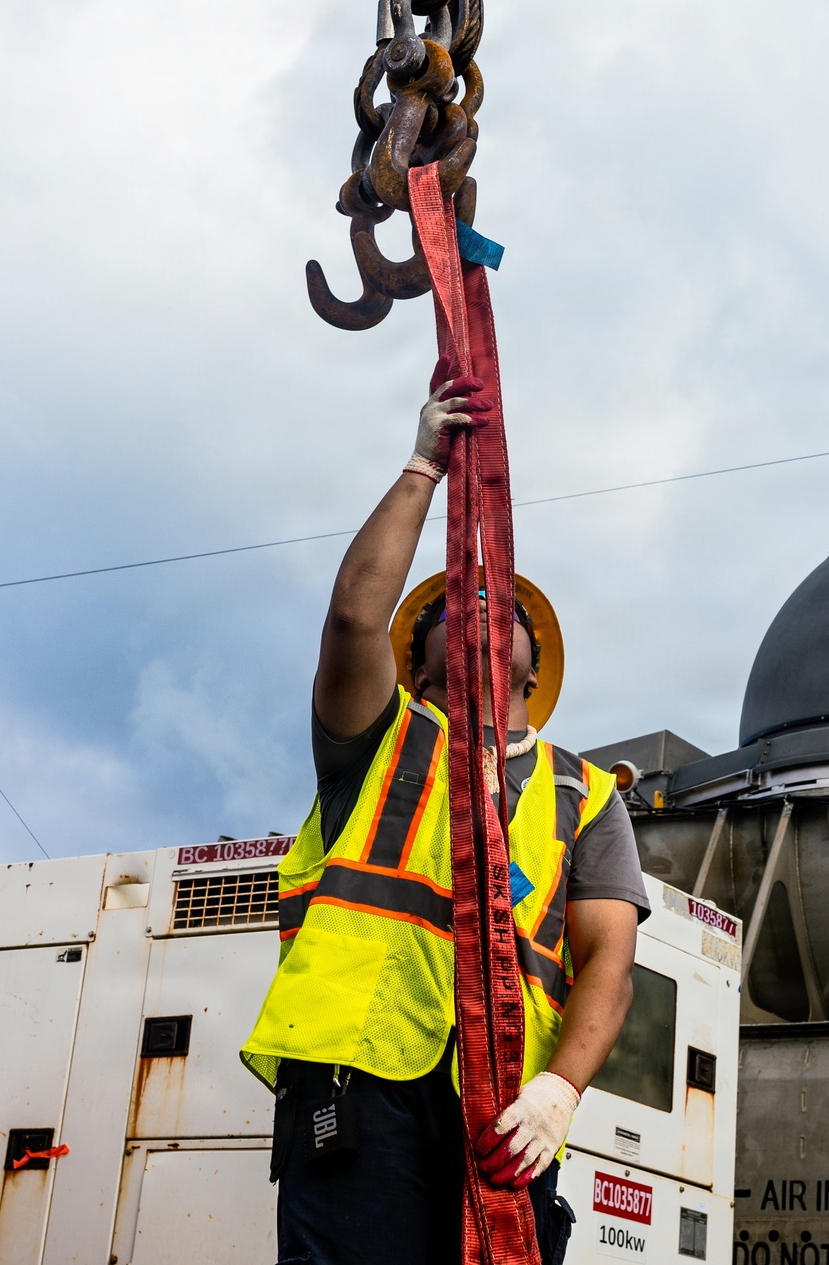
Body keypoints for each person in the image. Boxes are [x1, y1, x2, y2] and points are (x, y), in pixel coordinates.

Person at [242, 363, 650, 1265]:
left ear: (531, 670)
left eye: (496, 605)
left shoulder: (582, 793)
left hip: (507, 1107)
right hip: (359, 1081)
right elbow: (353, 618)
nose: (475, 606)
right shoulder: (377, 738)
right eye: (448, 606)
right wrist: (424, 464)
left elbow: (607, 966)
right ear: (416, 657)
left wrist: (562, 1090)